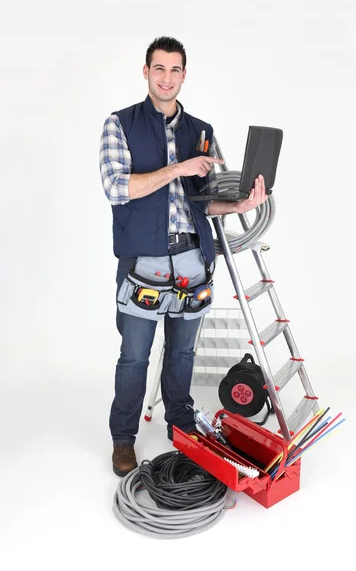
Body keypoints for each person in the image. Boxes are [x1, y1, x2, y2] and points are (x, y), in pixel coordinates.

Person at [99, 36, 268, 476]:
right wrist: (177, 168)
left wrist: (240, 206)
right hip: (143, 264)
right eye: (159, 69)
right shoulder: (119, 124)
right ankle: (123, 438)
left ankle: (180, 423)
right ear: (146, 72)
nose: (167, 78)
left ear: (184, 75)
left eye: (175, 70)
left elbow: (203, 202)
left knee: (182, 355)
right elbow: (118, 189)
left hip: (192, 260)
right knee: (134, 357)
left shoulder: (201, 130)